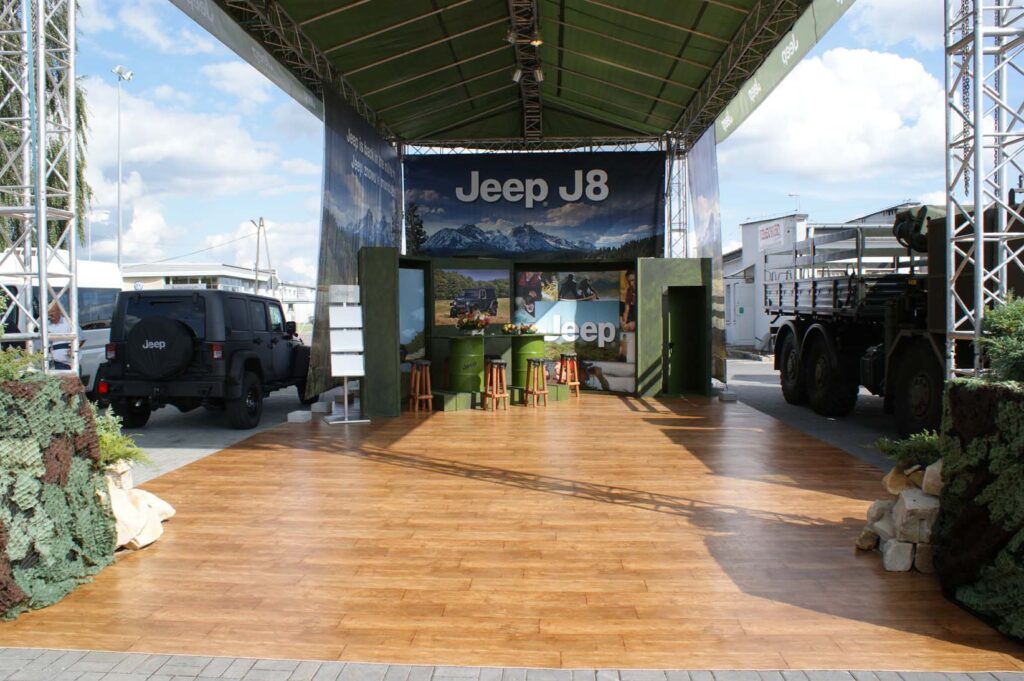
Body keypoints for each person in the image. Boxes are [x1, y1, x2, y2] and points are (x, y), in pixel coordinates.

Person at [47, 303, 73, 370]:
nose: (50, 314)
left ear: (59, 311)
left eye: (52, 311)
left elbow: (81, 338)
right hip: (50, 363)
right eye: (48, 312)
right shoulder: (45, 325)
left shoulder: (68, 322)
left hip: (65, 363)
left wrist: (72, 349)